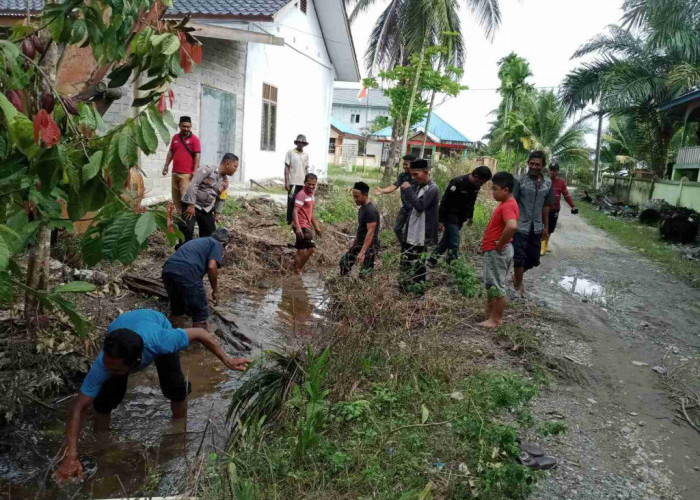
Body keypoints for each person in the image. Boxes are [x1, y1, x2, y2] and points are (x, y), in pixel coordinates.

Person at [55, 309, 251, 483]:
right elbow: (79, 408)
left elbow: (200, 333)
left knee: (175, 388)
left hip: (154, 322)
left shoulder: (163, 341)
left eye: (114, 367)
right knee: (105, 400)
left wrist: (228, 359)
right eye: (107, 364)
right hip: (122, 326)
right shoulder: (104, 364)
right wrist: (71, 455)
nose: (107, 368)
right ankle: (102, 444)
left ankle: (178, 429)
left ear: (134, 364)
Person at [162, 228, 230, 330]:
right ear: (223, 243)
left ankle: (176, 336)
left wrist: (200, 294)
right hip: (187, 272)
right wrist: (215, 291)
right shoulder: (216, 244)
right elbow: (212, 267)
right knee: (200, 315)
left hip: (168, 270)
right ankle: (199, 343)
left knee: (178, 311)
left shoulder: (199, 242)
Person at [512, 151, 555, 296]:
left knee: (534, 259)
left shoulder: (548, 183)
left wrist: (546, 227)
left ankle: (516, 276)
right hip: (520, 225)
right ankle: (519, 285)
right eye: (531, 163)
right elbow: (513, 203)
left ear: (543, 166)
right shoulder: (520, 181)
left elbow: (546, 206)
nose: (534, 166)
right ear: (528, 163)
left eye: (537, 164)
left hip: (536, 227)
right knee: (519, 257)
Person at [430, 165, 493, 264]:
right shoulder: (457, 182)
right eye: (482, 181)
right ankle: (452, 265)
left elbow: (472, 201)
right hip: (450, 216)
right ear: (476, 176)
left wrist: (470, 216)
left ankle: (432, 260)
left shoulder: (476, 186)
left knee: (446, 240)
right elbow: (444, 202)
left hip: (461, 217)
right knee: (454, 241)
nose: (482, 184)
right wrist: (440, 221)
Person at [479, 173, 519, 328]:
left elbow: (512, 226)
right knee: (492, 283)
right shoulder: (507, 203)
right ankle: (491, 315)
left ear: (506, 189)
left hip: (497, 251)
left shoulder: (508, 205)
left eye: (495, 189)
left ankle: (495, 320)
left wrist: (500, 244)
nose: (492, 192)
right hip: (497, 250)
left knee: (496, 285)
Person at [399, 159, 440, 293]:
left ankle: (418, 292)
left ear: (426, 172)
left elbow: (420, 206)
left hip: (421, 233)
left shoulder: (433, 188)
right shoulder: (419, 185)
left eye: (416, 174)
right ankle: (404, 288)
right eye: (412, 174)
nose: (413, 177)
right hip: (411, 229)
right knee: (405, 259)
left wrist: (409, 190)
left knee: (418, 263)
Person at [179, 153, 238, 243]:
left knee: (210, 234)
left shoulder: (225, 182)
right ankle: (182, 253)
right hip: (191, 204)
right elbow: (193, 185)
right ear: (227, 164)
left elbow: (221, 198)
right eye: (235, 166)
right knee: (187, 231)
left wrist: (217, 213)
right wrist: (191, 205)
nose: (236, 169)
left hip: (206, 208)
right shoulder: (207, 169)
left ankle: (203, 254)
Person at [373, 154, 417, 243]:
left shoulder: (418, 177)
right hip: (405, 208)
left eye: (406, 164)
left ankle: (411, 249)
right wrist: (382, 191)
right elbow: (394, 186)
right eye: (403, 164)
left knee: (411, 232)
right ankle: (404, 245)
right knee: (397, 229)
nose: (404, 166)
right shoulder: (402, 176)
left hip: (416, 209)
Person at [162, 116, 201, 214]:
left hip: (187, 175)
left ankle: (188, 220)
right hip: (175, 173)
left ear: (191, 126)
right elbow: (171, 152)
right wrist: (166, 165)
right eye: (184, 126)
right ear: (179, 125)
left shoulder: (195, 139)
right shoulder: (175, 138)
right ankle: (180, 217)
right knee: (176, 198)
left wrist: (195, 170)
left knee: (185, 198)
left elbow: (197, 155)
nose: (186, 129)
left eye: (188, 127)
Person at [340, 182, 380, 276]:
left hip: (369, 246)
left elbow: (370, 232)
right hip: (360, 243)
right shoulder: (362, 208)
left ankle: (364, 289)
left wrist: (363, 252)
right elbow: (361, 228)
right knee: (344, 263)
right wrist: (355, 242)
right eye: (353, 196)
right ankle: (345, 285)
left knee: (365, 273)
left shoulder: (371, 210)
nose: (355, 199)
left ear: (365, 195)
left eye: (357, 196)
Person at [541, 162, 578, 255]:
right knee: (541, 227)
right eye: (551, 170)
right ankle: (542, 246)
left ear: (557, 171)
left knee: (550, 229)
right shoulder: (543, 181)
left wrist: (572, 205)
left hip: (554, 209)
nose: (552, 172)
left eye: (554, 170)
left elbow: (566, 195)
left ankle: (544, 246)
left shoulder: (561, 182)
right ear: (549, 170)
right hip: (542, 209)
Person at [292, 173, 322, 274]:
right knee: (312, 248)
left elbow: (310, 212)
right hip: (301, 225)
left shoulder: (312, 194)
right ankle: (298, 268)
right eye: (309, 184)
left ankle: (297, 271)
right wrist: (298, 227)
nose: (311, 186)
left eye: (313, 184)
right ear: (304, 183)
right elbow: (295, 211)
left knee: (300, 250)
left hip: (306, 224)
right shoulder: (301, 194)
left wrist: (316, 226)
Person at [285, 134, 310, 225]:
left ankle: (299, 220)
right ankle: (289, 220)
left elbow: (306, 169)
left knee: (301, 202)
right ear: (296, 143)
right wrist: (286, 182)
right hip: (293, 182)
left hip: (302, 183)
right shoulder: (291, 152)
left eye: (302, 143)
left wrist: (308, 182)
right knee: (291, 201)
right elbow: (286, 168)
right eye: (299, 142)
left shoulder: (306, 155)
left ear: (304, 144)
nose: (300, 144)